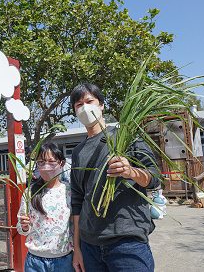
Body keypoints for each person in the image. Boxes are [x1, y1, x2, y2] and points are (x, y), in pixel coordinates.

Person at [68, 83, 159, 272]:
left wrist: (130, 171)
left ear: (101, 105)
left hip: (127, 241)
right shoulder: (78, 152)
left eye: (89, 101)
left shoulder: (126, 136)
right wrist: (77, 248)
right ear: (75, 112)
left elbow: (155, 178)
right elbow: (77, 201)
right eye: (78, 105)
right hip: (89, 244)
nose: (84, 107)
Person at [17, 142, 73, 272]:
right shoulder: (29, 193)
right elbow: (20, 227)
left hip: (64, 260)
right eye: (41, 162)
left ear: (61, 163)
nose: (46, 166)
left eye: (51, 162)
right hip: (34, 261)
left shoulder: (69, 192)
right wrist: (24, 226)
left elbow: (74, 226)